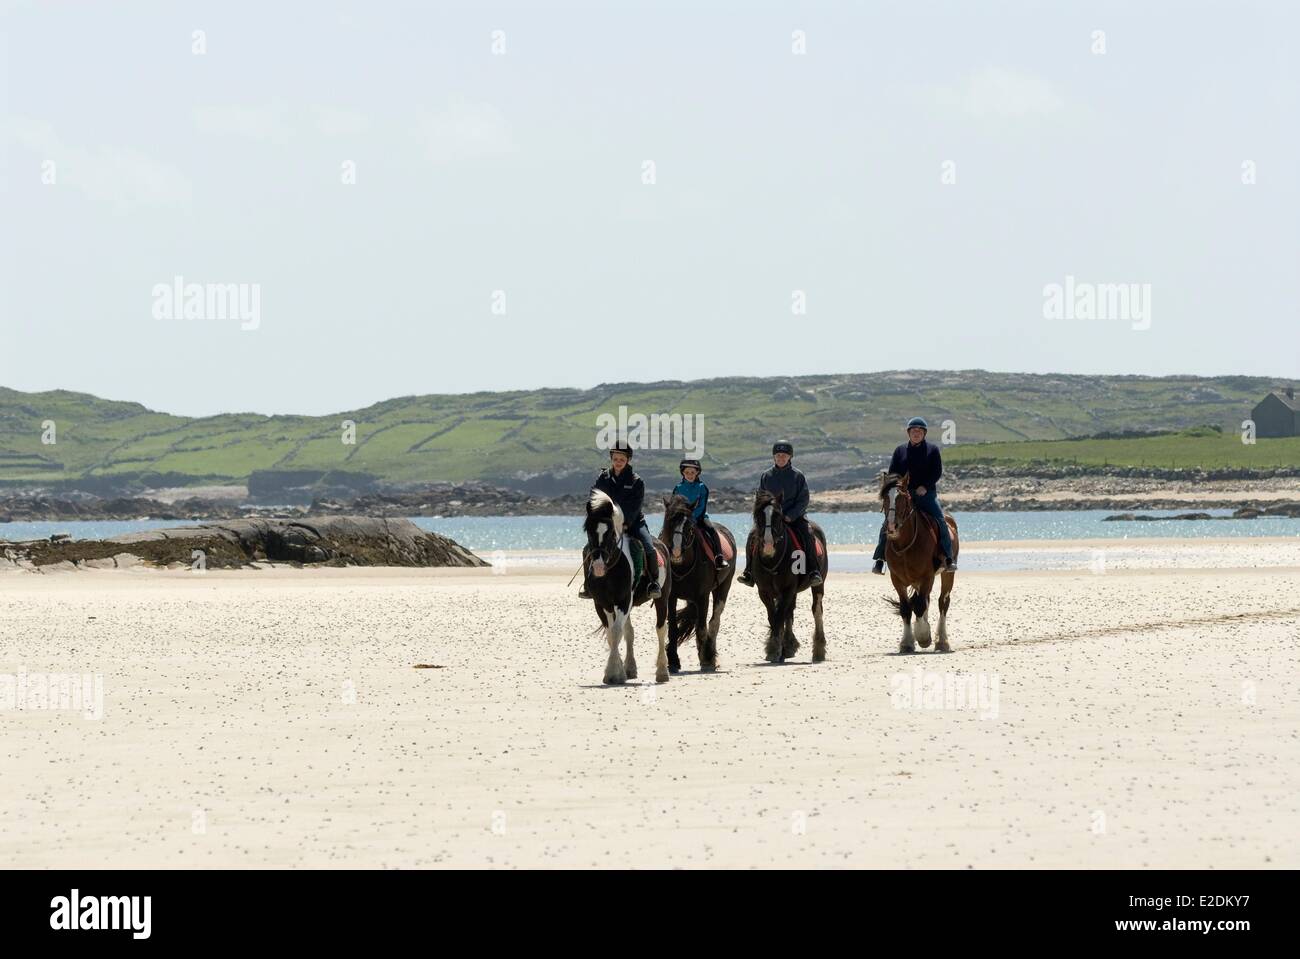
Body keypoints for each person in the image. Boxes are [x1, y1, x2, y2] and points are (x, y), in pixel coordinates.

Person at [872, 417, 956, 574]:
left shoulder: (932, 450)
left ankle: (948, 557)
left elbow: (936, 472)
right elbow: (893, 474)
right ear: (908, 433)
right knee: (887, 522)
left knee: (940, 520)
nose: (916, 433)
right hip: (904, 495)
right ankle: (880, 558)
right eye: (913, 431)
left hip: (926, 494)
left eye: (919, 431)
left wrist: (925, 486)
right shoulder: (899, 451)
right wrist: (897, 488)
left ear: (924, 433)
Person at [579, 441, 661, 599]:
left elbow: (634, 507)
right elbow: (594, 498)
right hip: (608, 524)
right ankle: (588, 584)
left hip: (633, 522)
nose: (618, 462)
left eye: (622, 460)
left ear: (628, 460)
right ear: (611, 458)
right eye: (615, 459)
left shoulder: (637, 481)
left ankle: (653, 582)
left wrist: (624, 523)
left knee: (648, 546)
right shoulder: (603, 478)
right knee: (588, 548)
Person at [737, 441, 823, 588]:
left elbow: (804, 499)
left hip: (793, 518)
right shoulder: (766, 475)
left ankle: (813, 571)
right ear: (774, 457)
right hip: (770, 518)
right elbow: (760, 499)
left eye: (784, 455)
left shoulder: (798, 476)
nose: (781, 458)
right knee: (752, 535)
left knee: (808, 533)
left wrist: (791, 515)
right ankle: (749, 572)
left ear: (790, 457)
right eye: (778, 455)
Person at [672, 459, 728, 570]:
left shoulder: (702, 487)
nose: (690, 475)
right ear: (683, 473)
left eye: (693, 472)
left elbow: (702, 506)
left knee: (711, 530)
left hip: (700, 517)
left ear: (697, 473)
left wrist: (691, 518)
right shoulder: (678, 488)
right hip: (681, 519)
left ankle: (719, 557)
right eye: (687, 472)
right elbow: (675, 505)